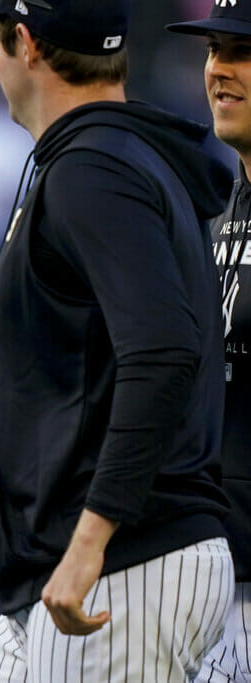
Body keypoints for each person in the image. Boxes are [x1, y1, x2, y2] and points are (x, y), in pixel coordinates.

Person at [0, 1, 235, 681]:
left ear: (24, 44)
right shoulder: (111, 157)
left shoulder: (95, 168)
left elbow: (164, 352)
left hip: (121, 562)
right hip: (75, 570)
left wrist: (90, 539)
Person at [167, 5, 251, 681]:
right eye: (214, 49)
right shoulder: (219, 206)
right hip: (216, 575)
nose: (219, 69)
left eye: (243, 52)